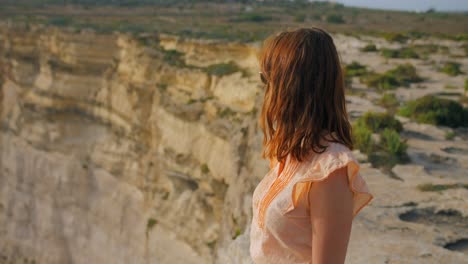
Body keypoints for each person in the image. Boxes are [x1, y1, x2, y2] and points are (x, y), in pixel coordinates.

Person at [249, 27, 374, 264]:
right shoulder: (290, 149)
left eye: (267, 78)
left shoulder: (329, 171)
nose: (265, 88)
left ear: (291, 86)